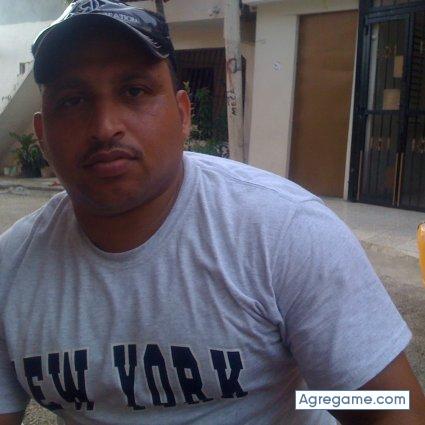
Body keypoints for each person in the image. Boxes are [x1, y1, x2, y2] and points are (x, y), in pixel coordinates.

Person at [0, 1, 424, 424]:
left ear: (183, 115)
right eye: (73, 100)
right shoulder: (12, 268)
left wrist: (309, 398)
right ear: (42, 135)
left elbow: (392, 407)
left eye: (134, 91)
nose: (105, 126)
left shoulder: (284, 231)